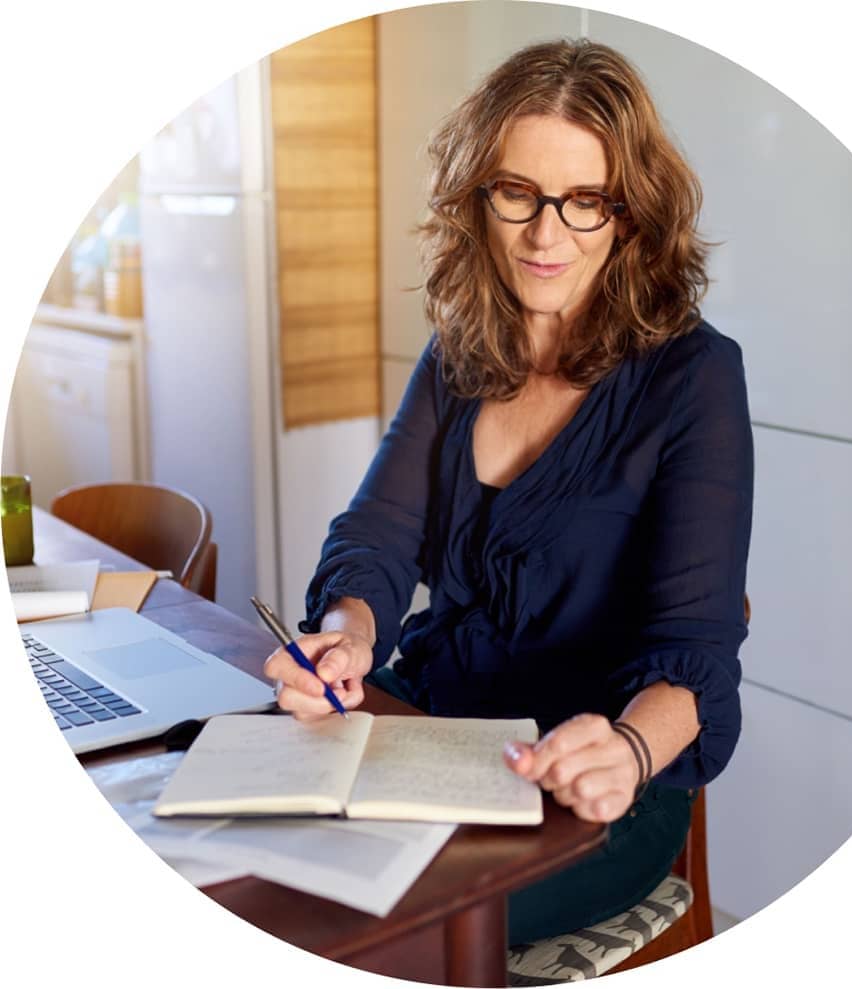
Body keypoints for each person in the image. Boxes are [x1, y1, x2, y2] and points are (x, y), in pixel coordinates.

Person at [264, 38, 753, 945]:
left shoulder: (693, 378)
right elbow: (376, 535)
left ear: (631, 213)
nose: (544, 234)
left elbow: (695, 651)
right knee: (255, 863)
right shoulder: (459, 349)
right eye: (517, 192)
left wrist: (633, 749)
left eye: (584, 202)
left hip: (588, 783)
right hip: (429, 726)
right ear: (476, 194)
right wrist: (347, 636)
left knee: (372, 926)